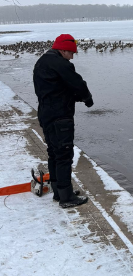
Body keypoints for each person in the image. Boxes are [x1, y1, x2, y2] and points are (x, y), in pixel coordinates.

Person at [33, 33, 93, 208]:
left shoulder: (42, 62)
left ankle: (59, 192)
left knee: (54, 153)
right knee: (64, 155)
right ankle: (67, 198)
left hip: (45, 114)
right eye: (72, 53)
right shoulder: (61, 64)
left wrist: (71, 96)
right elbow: (78, 84)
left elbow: (55, 89)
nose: (73, 56)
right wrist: (87, 98)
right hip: (60, 116)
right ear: (63, 50)